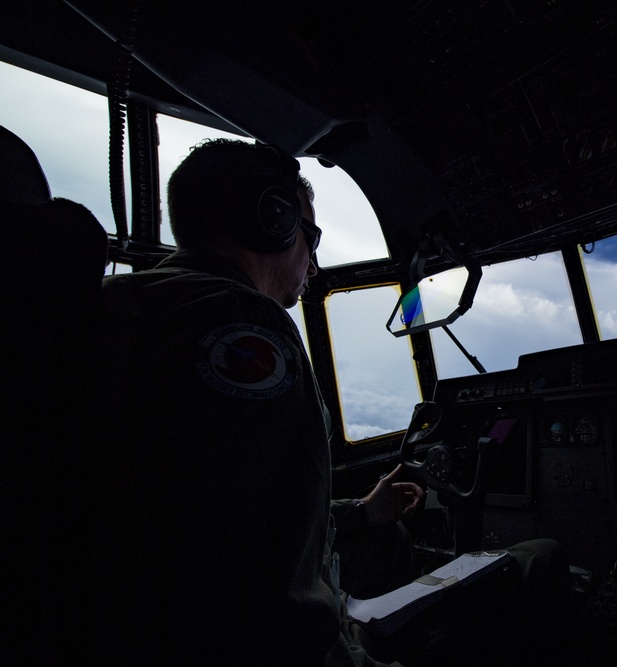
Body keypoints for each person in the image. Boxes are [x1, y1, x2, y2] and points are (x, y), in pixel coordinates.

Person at [97, 138, 571, 666]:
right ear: (270, 219)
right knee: (541, 560)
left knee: (388, 539)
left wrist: (365, 513)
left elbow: (215, 519)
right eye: (311, 237)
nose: (314, 266)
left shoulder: (121, 304)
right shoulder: (237, 325)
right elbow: (264, 610)